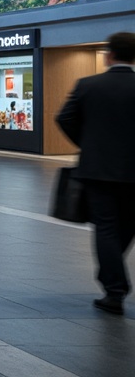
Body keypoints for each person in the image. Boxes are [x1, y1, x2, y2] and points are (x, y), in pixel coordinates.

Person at [57, 31, 135, 315]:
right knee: (127, 227)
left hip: (97, 171)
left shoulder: (88, 85)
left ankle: (114, 289)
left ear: (109, 55)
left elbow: (63, 118)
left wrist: (88, 144)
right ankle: (113, 281)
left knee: (106, 227)